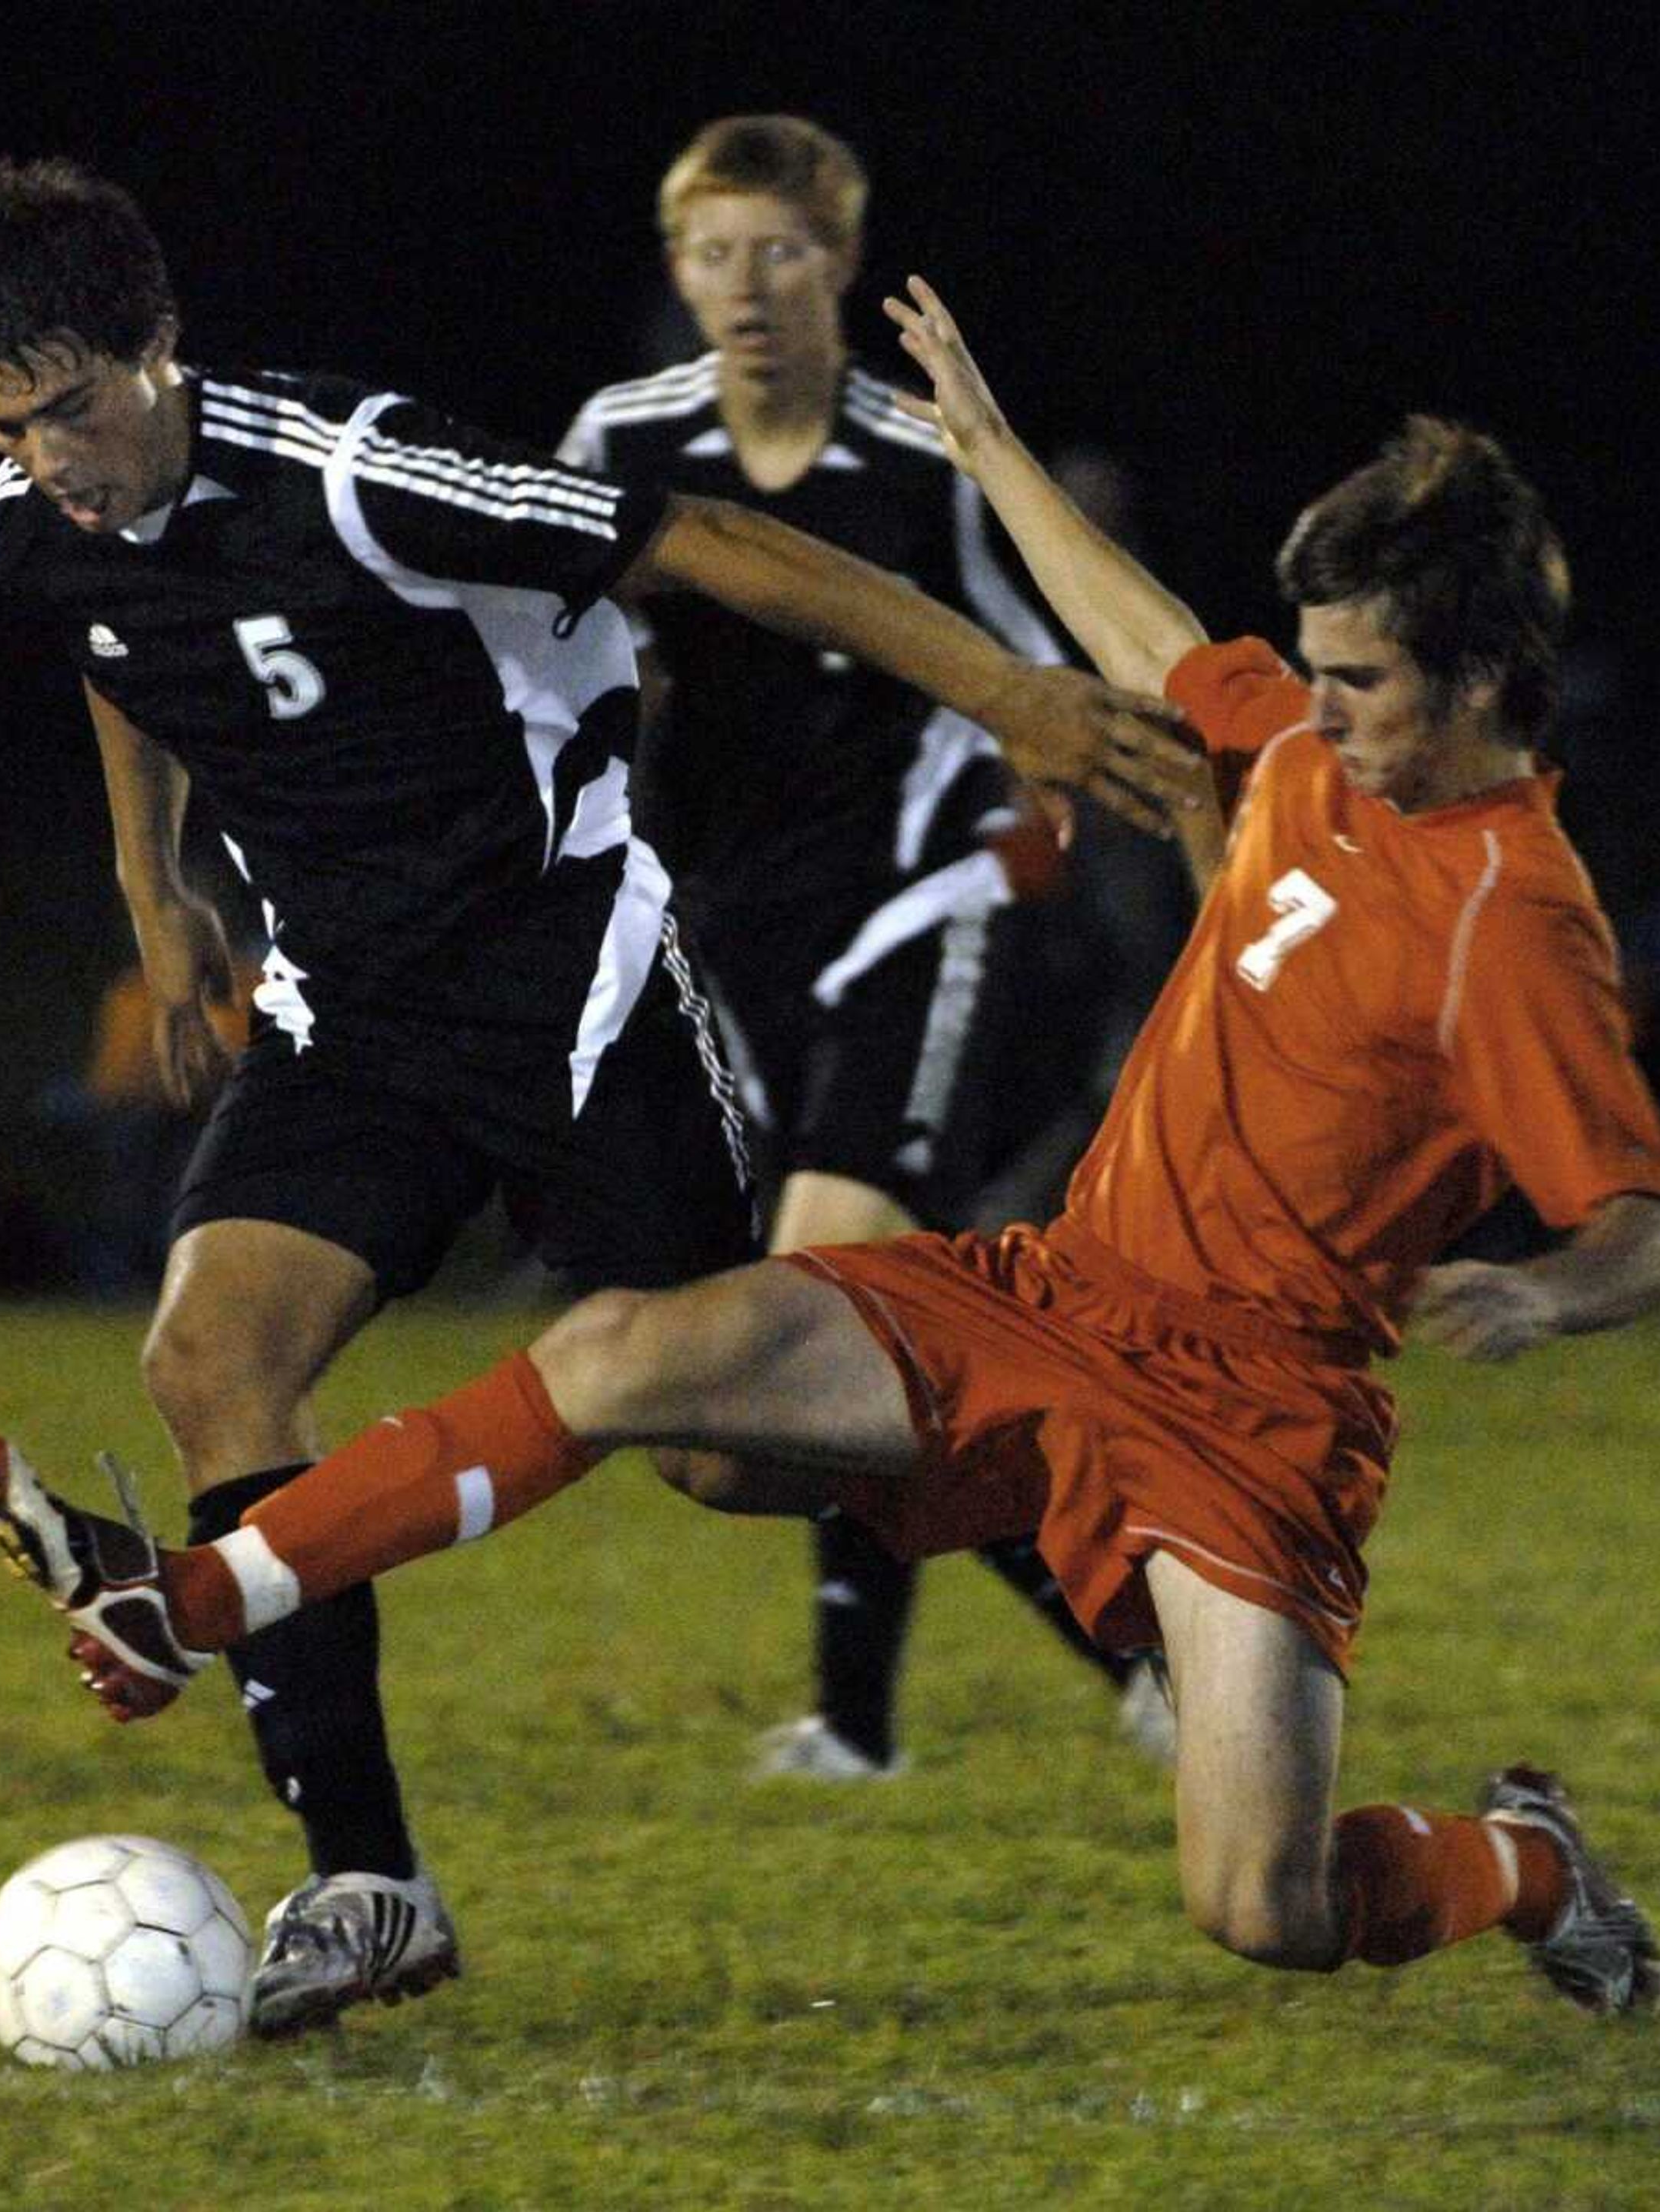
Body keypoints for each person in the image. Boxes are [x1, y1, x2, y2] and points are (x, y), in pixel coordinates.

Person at [0, 272, 1660, 2020]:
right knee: (619, 1346)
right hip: (1058, 1291)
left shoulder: (1512, 920)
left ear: (1480, 679)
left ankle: (1527, 1858)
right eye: (1311, 671)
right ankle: (185, 1596)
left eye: (1356, 683)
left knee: (1263, 1899)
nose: (1308, 716)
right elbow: (1151, 641)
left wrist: (1552, 1290)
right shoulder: (1333, 756)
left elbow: (1651, 1220)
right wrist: (991, 447)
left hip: (1258, 1413)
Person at [0, 160, 1195, 2036]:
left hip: (573, 992)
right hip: (344, 1017)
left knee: (714, 1441)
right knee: (210, 1358)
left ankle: (1077, 1513)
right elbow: (121, 642)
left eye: (76, 407)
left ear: (160, 347)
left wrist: (1005, 691)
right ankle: (368, 1881)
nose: (51, 458)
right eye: (5, 423)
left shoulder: (353, 470)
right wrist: (153, 881)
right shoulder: (31, 519)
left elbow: (701, 544)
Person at [561, 114, 1168, 1780]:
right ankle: (1126, 1633)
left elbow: (1040, 660)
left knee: (829, 1296)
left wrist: (1061, 795)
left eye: (781, 251)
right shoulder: (621, 439)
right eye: (712, 254)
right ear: (676, 270)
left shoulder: (919, 458)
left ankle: (857, 1722)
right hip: (727, 945)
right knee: (816, 1357)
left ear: (841, 261)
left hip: (914, 913)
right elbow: (551, 641)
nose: (744, 287)